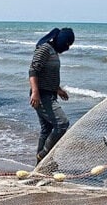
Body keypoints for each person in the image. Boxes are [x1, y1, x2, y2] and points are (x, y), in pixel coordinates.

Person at [29, 27, 75, 165]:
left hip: (50, 93)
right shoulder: (44, 49)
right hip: (42, 95)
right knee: (62, 123)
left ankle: (41, 166)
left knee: (47, 130)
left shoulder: (53, 51)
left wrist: (58, 89)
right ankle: (44, 156)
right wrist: (35, 92)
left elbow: (48, 74)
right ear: (61, 40)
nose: (67, 47)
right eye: (67, 44)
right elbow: (33, 70)